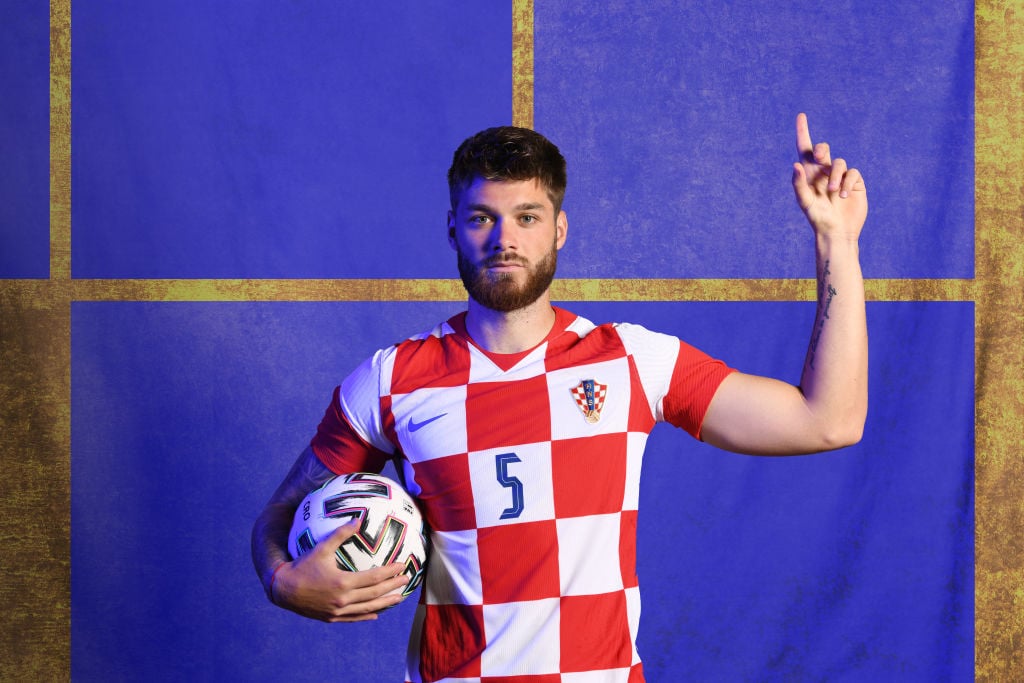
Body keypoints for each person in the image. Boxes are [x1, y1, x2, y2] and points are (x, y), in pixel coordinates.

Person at [251, 114, 868, 681]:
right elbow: (278, 516)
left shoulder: (629, 361)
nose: (504, 238)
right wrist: (283, 581)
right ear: (453, 230)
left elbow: (828, 421)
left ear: (559, 228)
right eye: (481, 217)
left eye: (527, 216)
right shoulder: (393, 380)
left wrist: (836, 243)